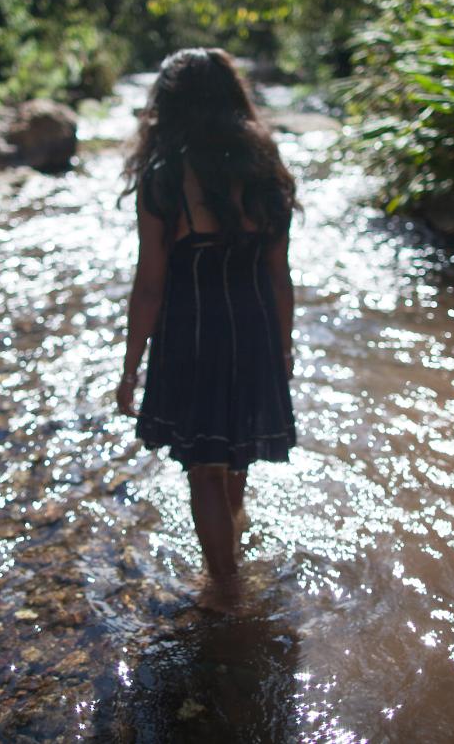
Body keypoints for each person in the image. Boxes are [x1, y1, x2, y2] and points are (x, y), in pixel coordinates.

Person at [117, 47, 299, 589]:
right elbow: (279, 275)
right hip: (254, 332)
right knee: (234, 452)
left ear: (167, 107)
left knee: (204, 469)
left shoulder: (166, 179)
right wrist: (283, 347)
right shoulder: (266, 171)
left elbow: (149, 286)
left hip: (195, 334)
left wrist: (130, 368)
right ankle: (233, 559)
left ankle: (224, 590)